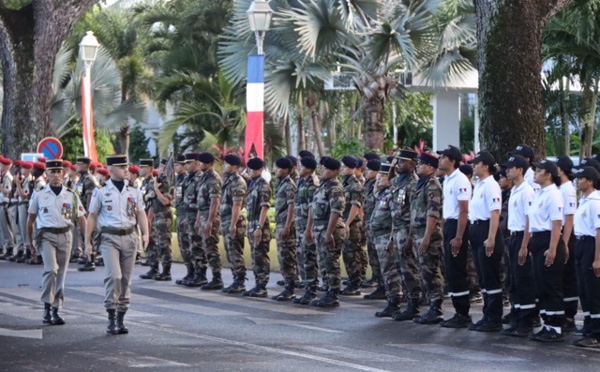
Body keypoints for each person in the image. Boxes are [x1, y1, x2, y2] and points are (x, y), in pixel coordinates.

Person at [86, 154, 149, 335]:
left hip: (129, 237)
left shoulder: (134, 191)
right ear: (111, 170)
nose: (126, 170)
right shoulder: (101, 191)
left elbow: (141, 213)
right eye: (122, 167)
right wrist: (87, 241)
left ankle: (121, 317)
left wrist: (145, 233)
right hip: (109, 237)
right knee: (114, 276)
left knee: (126, 279)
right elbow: (92, 216)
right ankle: (111, 315)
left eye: (126, 167)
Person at [27, 159, 87, 325]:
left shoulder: (71, 195)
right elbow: (30, 219)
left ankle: (55, 309)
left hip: (65, 236)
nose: (55, 175)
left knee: (61, 274)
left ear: (63, 173)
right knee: (51, 270)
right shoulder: (39, 195)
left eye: (58, 171)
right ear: (46, 174)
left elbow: (81, 218)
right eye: (51, 172)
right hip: (46, 236)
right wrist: (30, 243)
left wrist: (87, 241)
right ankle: (47, 306)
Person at [526, 159, 566, 342]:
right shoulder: (540, 193)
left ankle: (555, 327)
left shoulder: (553, 194)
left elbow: (556, 223)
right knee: (541, 284)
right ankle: (547, 324)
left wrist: (552, 249)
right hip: (538, 239)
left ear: (548, 174)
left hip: (549, 240)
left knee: (551, 284)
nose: (535, 173)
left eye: (539, 170)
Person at [467, 151, 504, 332]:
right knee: (482, 276)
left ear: (486, 166)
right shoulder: (479, 185)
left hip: (487, 229)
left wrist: (491, 238)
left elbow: (494, 213)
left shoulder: (491, 185)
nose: (473, 166)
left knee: (490, 276)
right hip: (476, 229)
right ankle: (487, 314)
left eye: (476, 163)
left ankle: (494, 317)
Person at [500, 155, 537, 337]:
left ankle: (526, 322)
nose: (507, 171)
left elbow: (530, 219)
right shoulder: (515, 190)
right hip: (513, 237)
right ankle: (518, 318)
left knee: (524, 281)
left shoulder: (527, 191)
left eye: (510, 168)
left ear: (520, 170)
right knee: (515, 280)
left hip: (523, 237)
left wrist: (525, 246)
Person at [437, 145, 473, 328]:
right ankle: (459, 311)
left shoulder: (460, 180)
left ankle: (463, 313)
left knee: (457, 270)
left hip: (458, 226)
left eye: (443, 157)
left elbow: (464, 210)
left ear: (452, 161)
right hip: (449, 224)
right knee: (450, 271)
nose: (440, 160)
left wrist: (459, 236)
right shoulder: (448, 179)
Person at [409, 152, 444, 325]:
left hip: (427, 235)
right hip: (418, 233)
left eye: (421, 163)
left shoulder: (432, 185)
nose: (417, 165)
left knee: (429, 272)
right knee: (423, 271)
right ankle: (430, 305)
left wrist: (427, 237)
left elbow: (433, 213)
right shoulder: (420, 184)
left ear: (430, 167)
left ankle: (435, 308)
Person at [307, 157, 346, 307]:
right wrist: (311, 228)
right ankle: (327, 291)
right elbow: (314, 207)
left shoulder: (335, 187)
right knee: (323, 262)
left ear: (334, 171)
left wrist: (329, 233)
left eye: (325, 168)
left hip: (330, 229)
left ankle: (333, 294)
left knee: (331, 263)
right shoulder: (323, 185)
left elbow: (335, 211)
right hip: (320, 228)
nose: (322, 170)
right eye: (322, 167)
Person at [390, 149, 422, 322]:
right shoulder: (399, 181)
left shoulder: (412, 183)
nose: (399, 164)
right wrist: (393, 164)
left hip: (406, 231)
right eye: (398, 161)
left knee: (409, 269)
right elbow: (389, 179)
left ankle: (414, 305)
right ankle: (408, 302)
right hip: (397, 230)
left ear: (412, 164)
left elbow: (413, 213)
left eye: (403, 161)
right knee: (401, 268)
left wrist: (409, 238)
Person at [370, 163, 404, 317]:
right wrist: (378, 182)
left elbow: (395, 218)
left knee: (390, 271)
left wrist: (391, 238)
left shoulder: (393, 194)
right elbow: (375, 193)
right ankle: (391, 300)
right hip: (378, 237)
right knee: (385, 271)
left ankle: (395, 302)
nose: (379, 179)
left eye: (382, 176)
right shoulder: (383, 193)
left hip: (386, 237)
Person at [572, 167, 600, 348]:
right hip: (581, 244)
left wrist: (598, 258)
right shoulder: (584, 200)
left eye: (580, 178)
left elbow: (599, 231)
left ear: (590, 181)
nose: (577, 181)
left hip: (591, 245)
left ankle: (597, 333)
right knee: (583, 289)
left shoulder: (596, 201)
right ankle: (589, 326)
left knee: (594, 290)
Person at [293, 156, 321, 304]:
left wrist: (309, 229)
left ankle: (311, 291)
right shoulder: (302, 182)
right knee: (301, 258)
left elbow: (312, 208)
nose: (298, 168)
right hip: (300, 226)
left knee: (309, 259)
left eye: (301, 166)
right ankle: (306, 289)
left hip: (307, 227)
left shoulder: (313, 185)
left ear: (308, 169)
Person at [555, 155, 578, 332]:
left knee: (568, 277)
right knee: (561, 277)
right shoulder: (560, 188)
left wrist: (564, 243)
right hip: (560, 233)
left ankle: (569, 317)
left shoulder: (567, 189)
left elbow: (569, 218)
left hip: (566, 235)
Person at [243, 157, 272, 297]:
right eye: (249, 169)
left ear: (260, 170)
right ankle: (257, 284)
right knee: (255, 256)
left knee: (260, 256)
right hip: (252, 223)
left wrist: (259, 227)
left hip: (259, 225)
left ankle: (262, 286)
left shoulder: (263, 185)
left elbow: (264, 208)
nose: (250, 171)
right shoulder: (252, 184)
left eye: (253, 169)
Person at [220, 154, 248, 294]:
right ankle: (235, 279)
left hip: (234, 221)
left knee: (235, 252)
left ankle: (240, 281)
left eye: (227, 164)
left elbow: (237, 204)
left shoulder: (238, 181)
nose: (224, 166)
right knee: (230, 252)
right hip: (226, 220)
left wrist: (233, 224)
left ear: (235, 167)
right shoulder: (229, 180)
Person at [194, 152, 223, 290]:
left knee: (211, 247)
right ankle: (208, 276)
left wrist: (210, 221)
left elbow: (215, 202)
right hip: (204, 215)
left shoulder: (213, 179)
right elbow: (201, 202)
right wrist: (199, 219)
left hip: (211, 217)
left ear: (209, 164)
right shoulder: (203, 178)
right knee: (206, 247)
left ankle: (217, 278)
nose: (199, 164)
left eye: (201, 162)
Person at [271, 157, 298, 301]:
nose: (276, 170)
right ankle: (288, 286)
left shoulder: (289, 185)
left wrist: (288, 225)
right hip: (281, 223)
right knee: (283, 258)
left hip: (286, 225)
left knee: (287, 257)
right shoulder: (281, 184)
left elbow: (291, 207)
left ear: (286, 170)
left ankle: (290, 288)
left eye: (278, 168)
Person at [340, 156, 366, 296]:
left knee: (353, 254)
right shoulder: (345, 183)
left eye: (344, 167)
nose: (342, 169)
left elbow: (356, 206)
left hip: (352, 223)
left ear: (352, 169)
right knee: (347, 254)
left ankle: (355, 284)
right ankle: (351, 280)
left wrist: (347, 223)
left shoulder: (355, 184)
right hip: (345, 221)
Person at [181, 153, 208, 287]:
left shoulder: (199, 179)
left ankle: (201, 275)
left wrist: (198, 219)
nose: (185, 165)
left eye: (188, 163)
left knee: (197, 246)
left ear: (196, 163)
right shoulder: (187, 179)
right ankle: (191, 272)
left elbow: (200, 201)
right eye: (184, 163)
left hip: (196, 216)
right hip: (188, 216)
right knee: (189, 246)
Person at [362, 158, 386, 299]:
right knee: (374, 256)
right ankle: (379, 283)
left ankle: (384, 287)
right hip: (371, 225)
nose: (366, 171)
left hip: (382, 229)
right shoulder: (370, 185)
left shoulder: (385, 189)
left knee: (382, 260)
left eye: (370, 169)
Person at [150, 159, 174, 281]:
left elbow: (165, 201)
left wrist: (156, 190)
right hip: (157, 216)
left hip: (164, 216)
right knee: (159, 244)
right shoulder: (158, 181)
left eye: (162, 168)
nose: (159, 170)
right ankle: (161, 269)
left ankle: (166, 271)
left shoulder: (167, 183)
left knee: (164, 244)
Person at [75, 156, 99, 271]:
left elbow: (90, 197)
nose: (76, 166)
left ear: (85, 165)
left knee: (88, 235)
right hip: (81, 210)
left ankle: (91, 260)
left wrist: (88, 213)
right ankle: (86, 255)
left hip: (87, 211)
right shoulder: (82, 178)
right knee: (83, 234)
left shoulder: (89, 178)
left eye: (79, 164)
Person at [173, 155, 193, 285]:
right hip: (180, 214)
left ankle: (193, 273)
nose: (176, 167)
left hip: (186, 215)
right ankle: (189, 272)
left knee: (189, 246)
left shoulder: (187, 179)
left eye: (177, 165)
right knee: (183, 246)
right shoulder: (178, 179)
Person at [0, 156, 15, 260]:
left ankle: (9, 247)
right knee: (2, 228)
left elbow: (8, 192)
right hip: (1, 203)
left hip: (5, 204)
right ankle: (4, 246)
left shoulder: (7, 177)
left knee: (6, 227)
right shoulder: (3, 176)